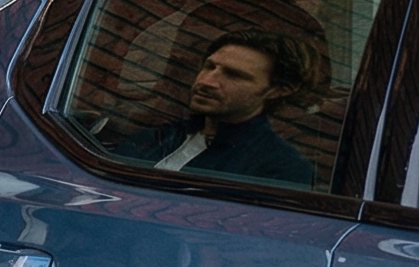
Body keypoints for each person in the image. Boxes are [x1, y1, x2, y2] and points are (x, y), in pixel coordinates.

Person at [106, 29, 322, 187]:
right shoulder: (157, 138)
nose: (206, 81)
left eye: (234, 75)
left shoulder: (280, 168)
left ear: (279, 90)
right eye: (209, 67)